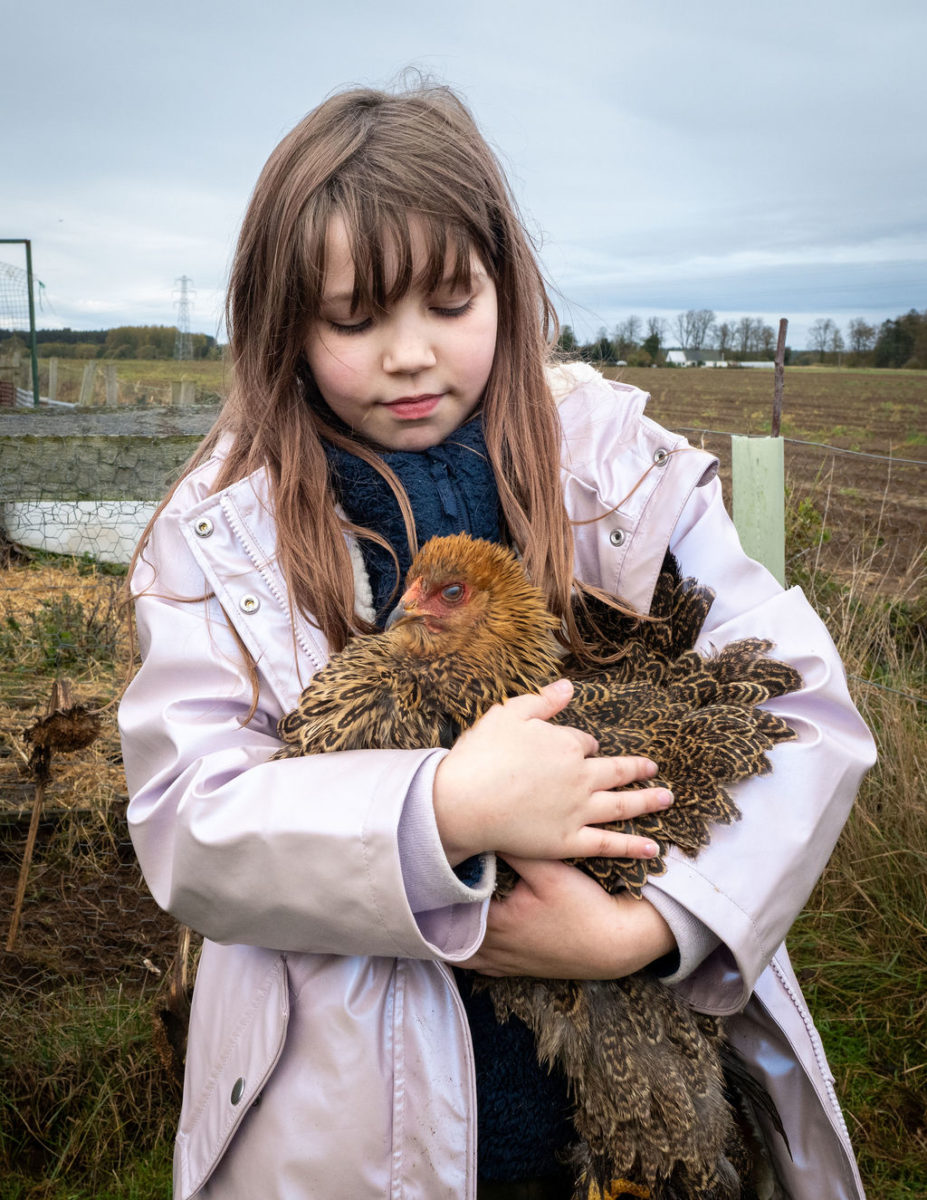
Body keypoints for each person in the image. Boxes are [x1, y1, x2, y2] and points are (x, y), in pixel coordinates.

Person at [118, 82, 875, 1200]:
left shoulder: (617, 467)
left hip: (635, 1070)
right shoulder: (222, 528)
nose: (410, 356)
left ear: (507, 288)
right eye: (355, 319)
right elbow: (191, 819)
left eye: (448, 301)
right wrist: (445, 812)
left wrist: (649, 929)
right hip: (343, 1125)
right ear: (283, 322)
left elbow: (804, 711)